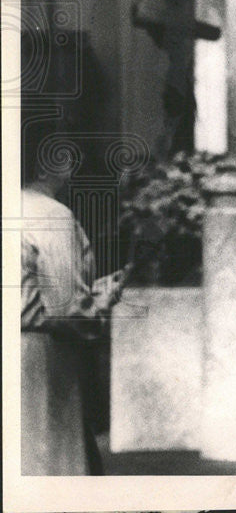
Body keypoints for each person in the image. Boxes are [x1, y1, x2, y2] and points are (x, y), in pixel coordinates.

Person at [20, 135, 129, 475]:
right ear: (43, 164)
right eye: (66, 156)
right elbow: (67, 309)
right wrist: (102, 299)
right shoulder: (51, 215)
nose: (75, 164)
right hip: (38, 356)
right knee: (48, 464)